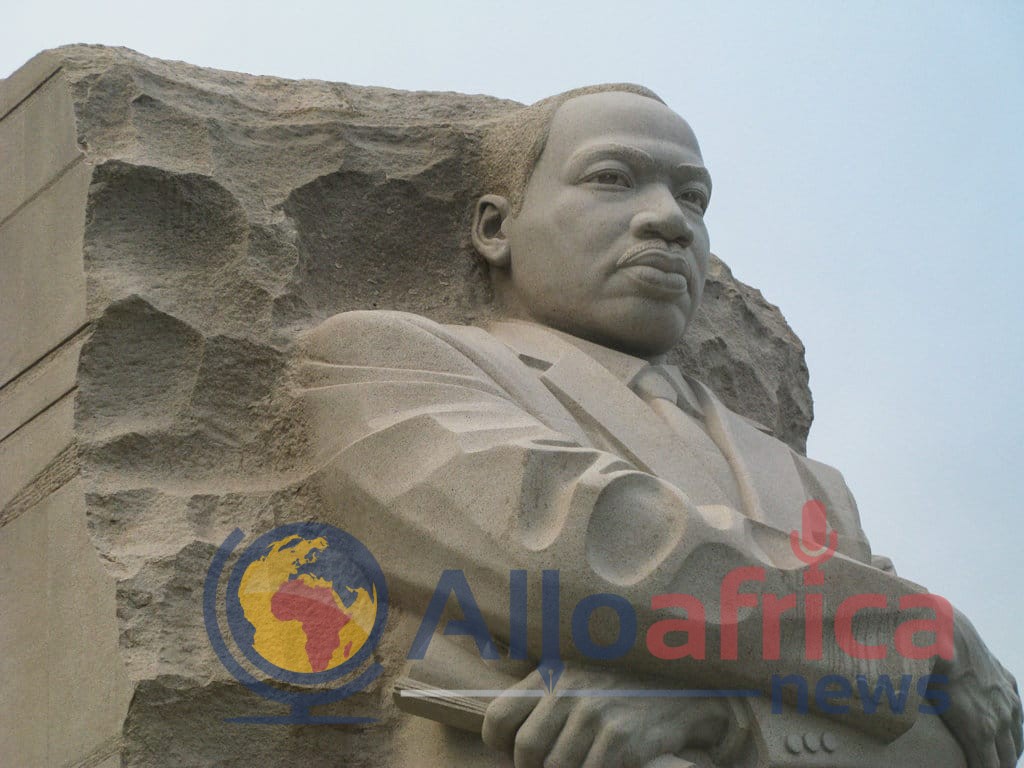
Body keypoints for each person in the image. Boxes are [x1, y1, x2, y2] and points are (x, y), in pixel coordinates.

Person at [296, 85, 1022, 767]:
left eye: (693, 197)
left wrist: (723, 716)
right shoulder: (387, 360)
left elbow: (956, 742)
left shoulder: (811, 485)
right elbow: (575, 546)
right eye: (612, 178)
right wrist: (914, 629)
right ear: (495, 228)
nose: (670, 220)